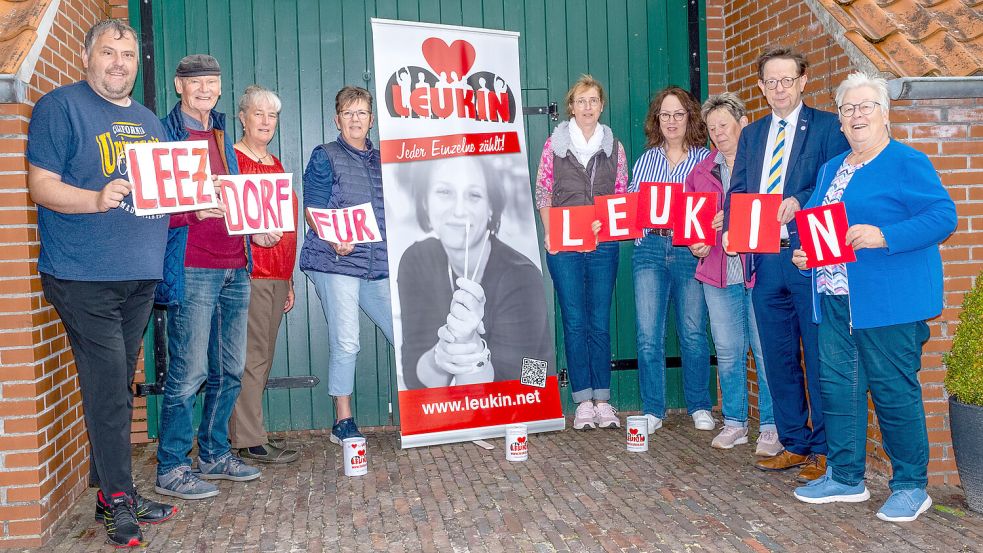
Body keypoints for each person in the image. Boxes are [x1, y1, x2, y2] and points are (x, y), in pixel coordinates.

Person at [26, 19, 176, 547]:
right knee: (111, 387)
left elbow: (164, 196)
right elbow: (40, 185)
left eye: (129, 54)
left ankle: (109, 489)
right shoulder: (60, 107)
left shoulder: (149, 121)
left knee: (115, 385)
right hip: (82, 274)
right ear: (86, 55)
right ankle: (118, 501)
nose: (119, 63)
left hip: (138, 275)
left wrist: (198, 203)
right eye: (109, 52)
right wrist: (93, 199)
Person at [791, 72, 956, 522]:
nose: (856, 115)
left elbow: (943, 216)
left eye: (866, 107)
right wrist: (807, 254)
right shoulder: (832, 168)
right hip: (835, 297)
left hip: (889, 301)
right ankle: (845, 478)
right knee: (839, 389)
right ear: (840, 122)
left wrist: (884, 234)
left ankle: (910, 485)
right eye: (848, 109)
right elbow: (819, 225)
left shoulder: (906, 161)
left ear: (885, 115)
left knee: (892, 392)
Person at [155, 54, 282, 500]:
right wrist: (191, 210)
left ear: (221, 88)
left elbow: (232, 197)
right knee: (188, 373)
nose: (204, 89)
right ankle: (171, 466)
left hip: (236, 265)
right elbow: (152, 206)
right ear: (179, 86)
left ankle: (213, 453)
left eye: (211, 82)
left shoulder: (220, 132)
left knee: (230, 370)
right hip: (194, 267)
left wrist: (257, 228)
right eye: (195, 83)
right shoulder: (164, 132)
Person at [722, 47, 849, 482]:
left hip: (806, 257)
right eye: (770, 82)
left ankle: (824, 450)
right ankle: (794, 442)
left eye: (786, 80)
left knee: (817, 355)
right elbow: (738, 190)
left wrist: (800, 201)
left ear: (802, 81)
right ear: (761, 87)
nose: (779, 89)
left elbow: (834, 184)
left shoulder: (828, 128)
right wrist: (731, 232)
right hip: (764, 258)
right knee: (777, 356)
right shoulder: (753, 134)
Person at [397, 156, 553, 389]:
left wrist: (469, 344)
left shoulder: (522, 276)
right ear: (426, 201)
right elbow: (416, 379)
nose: (459, 210)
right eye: (444, 192)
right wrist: (441, 356)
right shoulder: (417, 261)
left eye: (474, 195)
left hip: (524, 401)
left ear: (491, 206)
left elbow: (519, 384)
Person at [685, 93, 781, 455]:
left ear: (743, 123)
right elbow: (692, 222)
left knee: (765, 349)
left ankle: (772, 426)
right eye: (711, 128)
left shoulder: (764, 167)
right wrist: (698, 242)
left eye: (723, 125)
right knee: (727, 351)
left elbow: (774, 213)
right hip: (718, 272)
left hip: (759, 271)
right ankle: (736, 423)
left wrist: (738, 218)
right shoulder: (700, 172)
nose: (718, 134)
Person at [300, 86, 394, 445]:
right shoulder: (325, 156)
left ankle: (424, 409)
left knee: (402, 333)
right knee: (348, 341)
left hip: (374, 262)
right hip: (335, 260)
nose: (356, 119)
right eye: (348, 113)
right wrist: (331, 236)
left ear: (371, 119)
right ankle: (342, 420)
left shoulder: (383, 159)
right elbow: (313, 209)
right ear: (337, 119)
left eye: (362, 113)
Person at [535, 75, 628, 430]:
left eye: (593, 101)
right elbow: (544, 191)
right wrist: (550, 233)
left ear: (601, 106)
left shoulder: (614, 146)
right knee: (575, 321)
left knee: (599, 322)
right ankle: (582, 401)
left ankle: (603, 400)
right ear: (571, 106)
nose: (587, 107)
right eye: (581, 101)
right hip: (565, 246)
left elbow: (620, 194)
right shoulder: (554, 146)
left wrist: (605, 224)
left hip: (603, 245)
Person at [630, 86, 713, 434]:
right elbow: (632, 207)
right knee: (649, 333)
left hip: (687, 251)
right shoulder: (645, 160)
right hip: (650, 248)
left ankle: (699, 405)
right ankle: (653, 409)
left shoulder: (705, 159)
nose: (672, 121)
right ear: (657, 120)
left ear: (689, 117)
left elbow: (713, 206)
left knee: (693, 331)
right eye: (665, 114)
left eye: (679, 114)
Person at [228, 85, 300, 464]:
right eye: (258, 114)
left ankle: (248, 434)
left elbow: (285, 225)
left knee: (262, 356)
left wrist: (288, 279)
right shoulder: (234, 161)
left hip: (277, 275)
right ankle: (248, 439)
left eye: (271, 116)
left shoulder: (274, 164)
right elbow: (227, 215)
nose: (266, 122)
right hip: (250, 271)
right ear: (242, 117)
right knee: (252, 357)